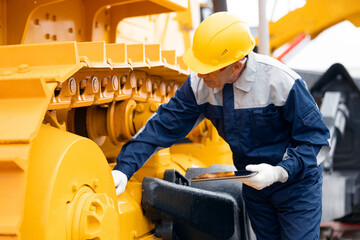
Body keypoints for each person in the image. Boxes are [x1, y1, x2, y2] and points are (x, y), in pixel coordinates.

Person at [112, 12, 330, 240]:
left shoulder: (281, 82)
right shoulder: (200, 84)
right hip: (255, 186)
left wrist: (278, 172)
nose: (198, 73)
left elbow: (316, 141)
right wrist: (124, 168)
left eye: (207, 68)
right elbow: (163, 125)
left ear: (236, 66)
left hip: (296, 186)